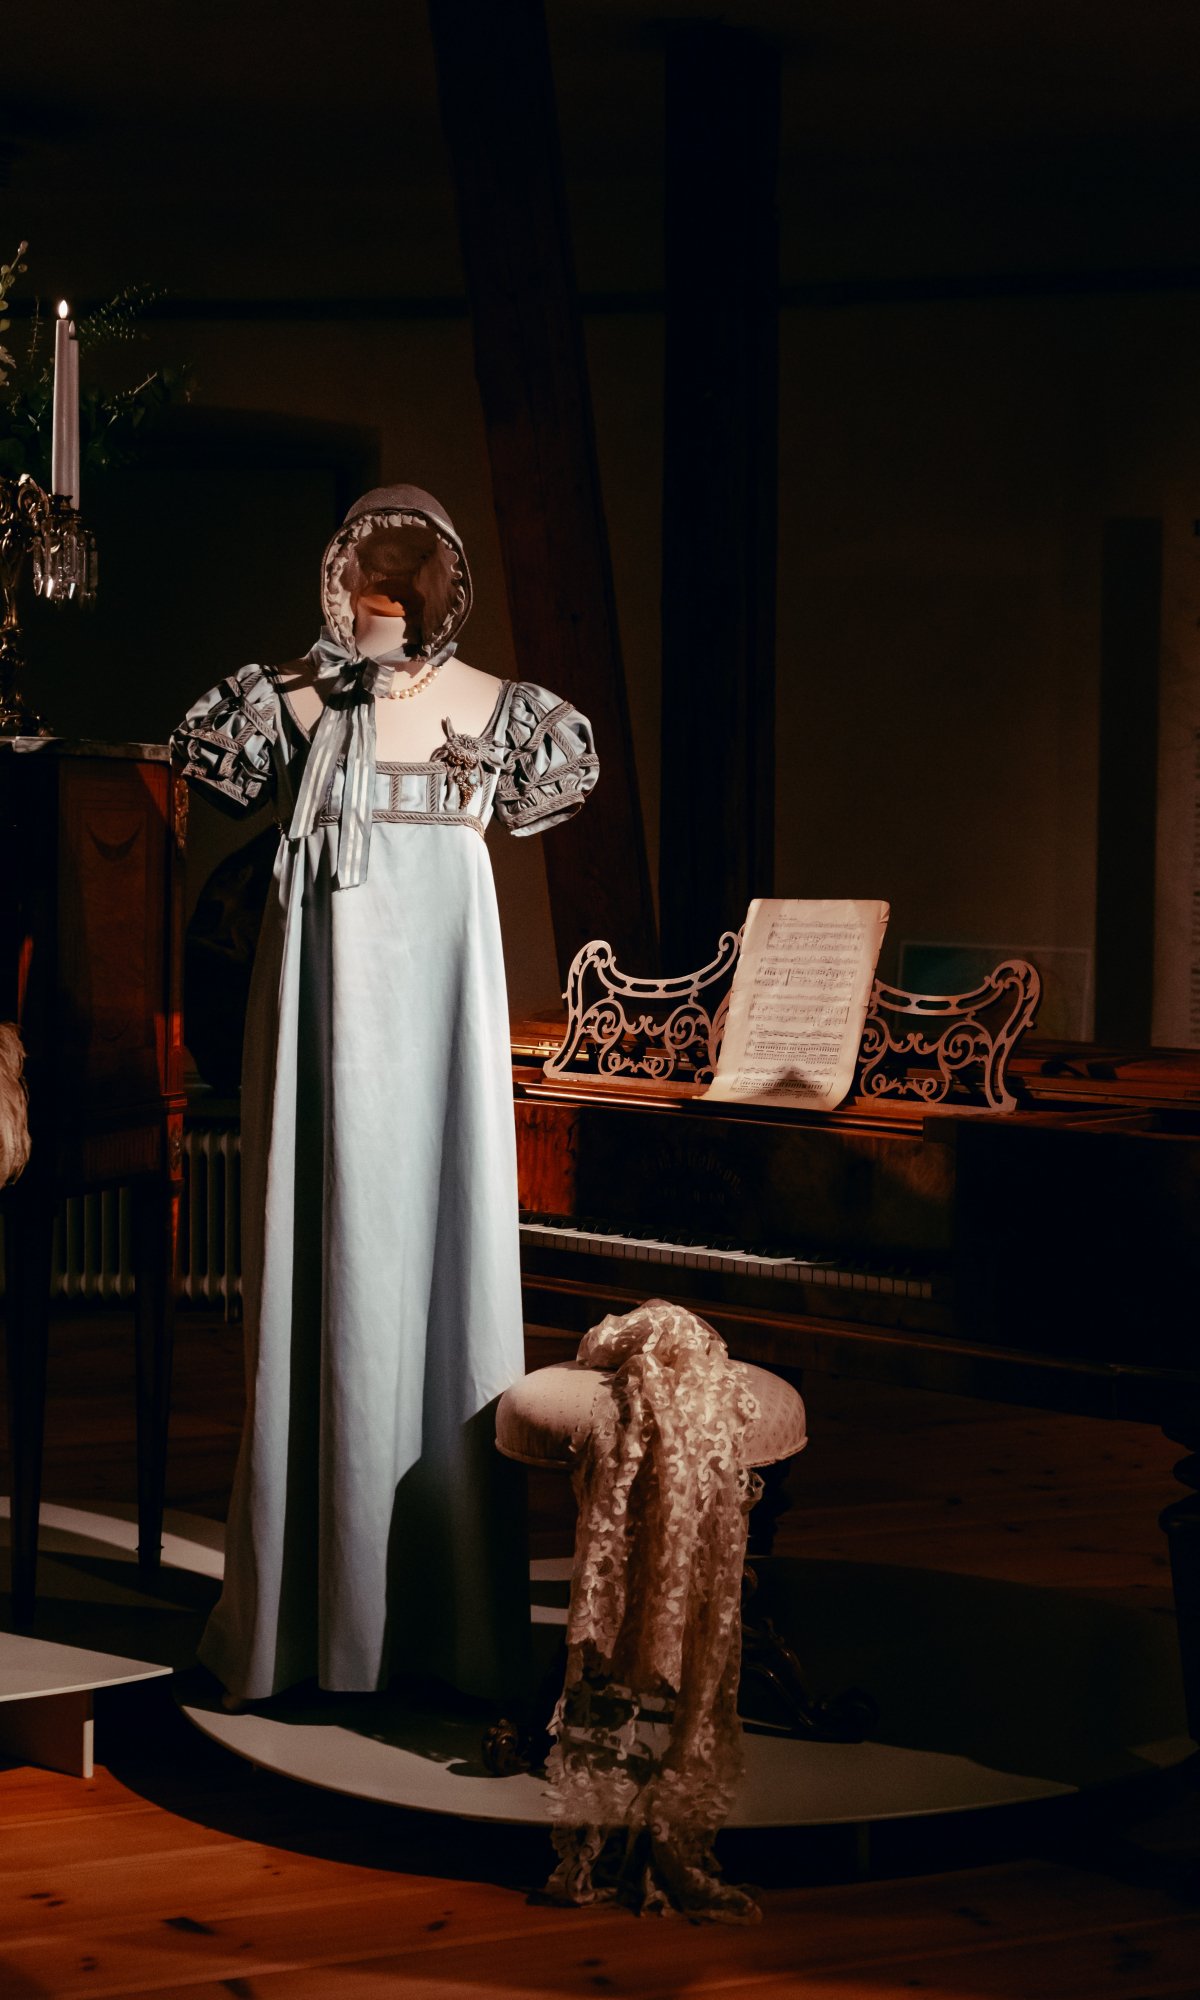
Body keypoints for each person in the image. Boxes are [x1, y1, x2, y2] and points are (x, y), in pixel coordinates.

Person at [171, 483, 599, 1705]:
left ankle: (443, 1620)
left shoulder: (502, 714)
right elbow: (205, 756)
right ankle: (313, 1619)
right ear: (338, 579)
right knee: (318, 1268)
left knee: (446, 1267)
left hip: (439, 1048)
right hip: (322, 1037)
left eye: (411, 575)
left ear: (445, 585)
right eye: (370, 572)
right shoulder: (291, 704)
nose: (389, 591)